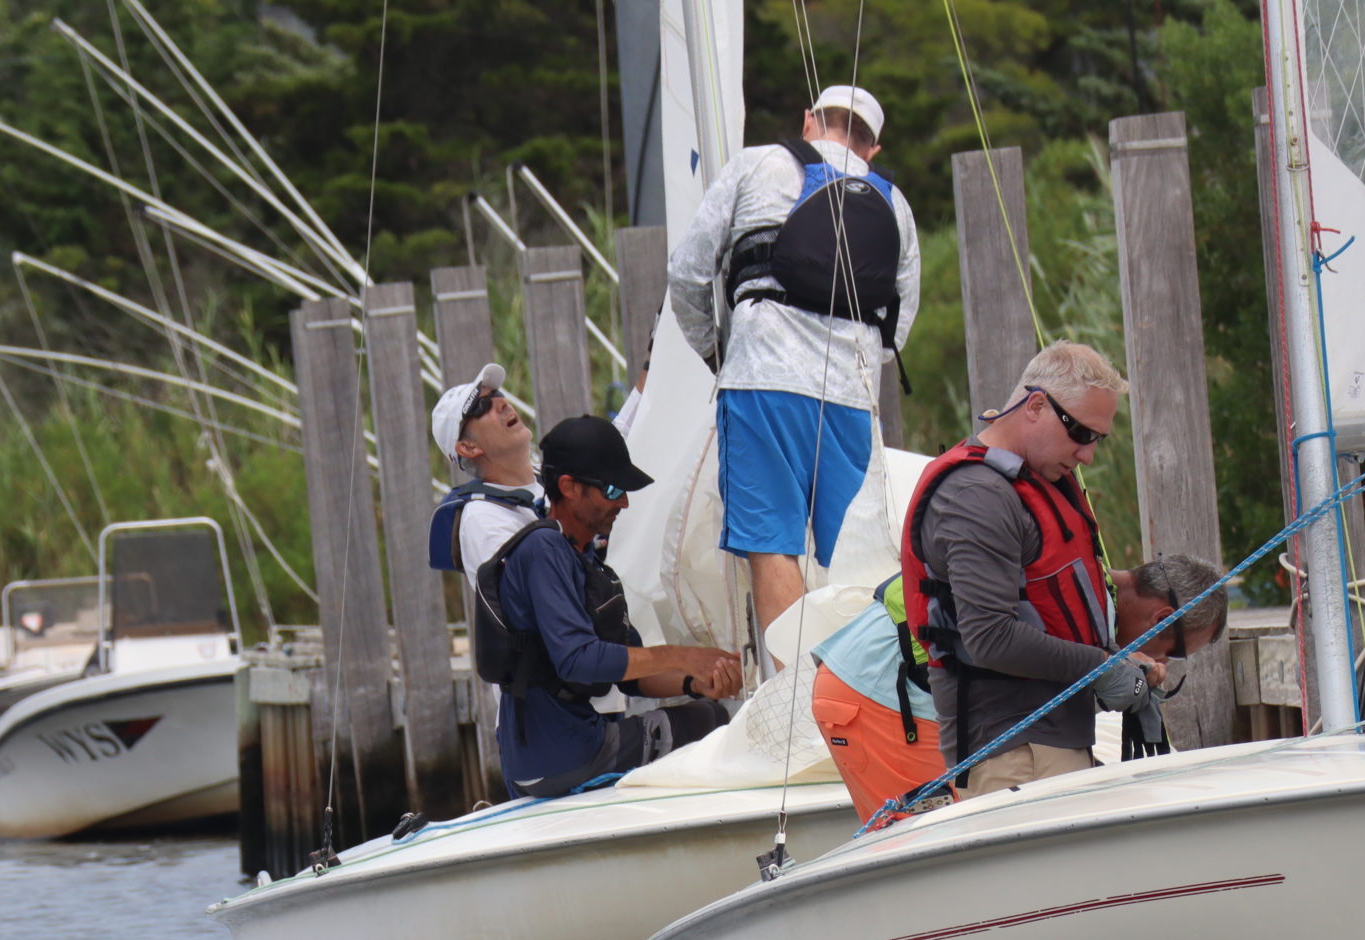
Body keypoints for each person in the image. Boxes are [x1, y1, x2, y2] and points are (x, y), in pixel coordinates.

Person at [897, 342, 1222, 798]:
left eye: (1097, 440)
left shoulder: (1039, 484)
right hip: (1015, 757)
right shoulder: (976, 497)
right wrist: (1104, 667)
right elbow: (988, 636)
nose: (1087, 456)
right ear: (1035, 406)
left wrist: (1120, 665)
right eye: (1081, 434)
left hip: (1045, 750)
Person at [667, 83, 922, 635]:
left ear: (809, 121)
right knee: (858, 556)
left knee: (771, 545)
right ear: (872, 148)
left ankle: (792, 695)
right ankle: (857, 696)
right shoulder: (893, 201)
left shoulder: (756, 165)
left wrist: (719, 353)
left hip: (762, 379)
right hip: (852, 398)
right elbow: (898, 321)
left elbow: (686, 272)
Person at [807, 550, 1229, 814]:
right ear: (1160, 618)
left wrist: (1109, 664)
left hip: (895, 688)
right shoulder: (1079, 599)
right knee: (931, 844)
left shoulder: (1085, 580)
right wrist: (1110, 663)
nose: (1160, 663)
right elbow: (1015, 650)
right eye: (1172, 652)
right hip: (875, 692)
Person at [472, 416, 745, 797]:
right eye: (614, 489)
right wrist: (683, 655)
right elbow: (579, 659)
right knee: (711, 722)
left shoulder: (585, 561)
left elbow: (630, 673)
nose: (625, 502)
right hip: (562, 757)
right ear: (568, 487)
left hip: (569, 748)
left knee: (706, 708)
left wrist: (695, 682)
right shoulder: (543, 550)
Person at [427, 363, 544, 577]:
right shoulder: (482, 520)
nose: (502, 403)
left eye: (498, 393)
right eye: (481, 405)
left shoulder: (550, 476)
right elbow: (536, 595)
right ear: (468, 447)